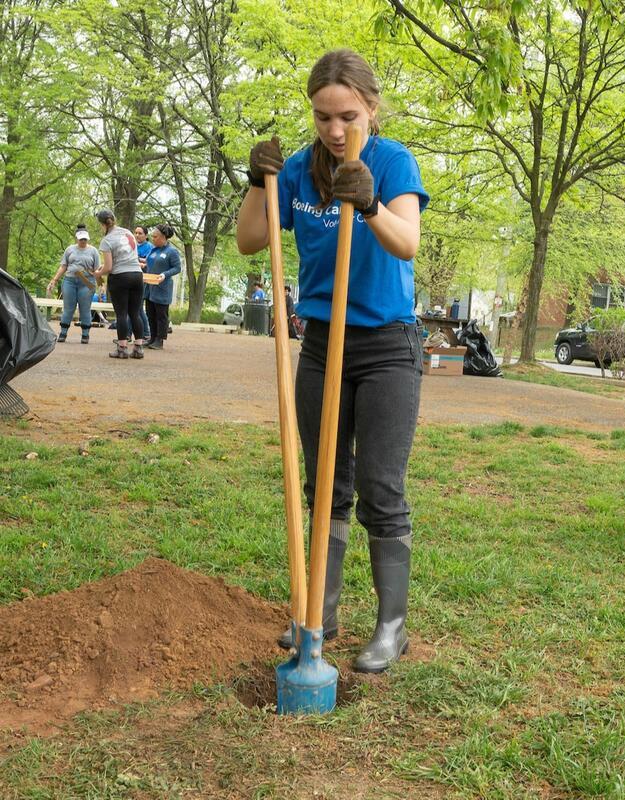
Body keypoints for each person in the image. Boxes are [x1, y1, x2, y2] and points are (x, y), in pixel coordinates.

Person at [236, 49, 429, 673]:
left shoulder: (392, 161)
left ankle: (391, 629)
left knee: (380, 485)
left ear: (371, 107)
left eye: (347, 115)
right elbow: (251, 240)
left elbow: (407, 242)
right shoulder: (297, 169)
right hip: (322, 343)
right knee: (324, 482)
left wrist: (370, 205)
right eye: (323, 117)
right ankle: (322, 612)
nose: (335, 129)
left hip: (386, 347)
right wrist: (254, 184)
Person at [93, 210, 146, 359]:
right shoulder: (128, 233)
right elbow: (125, 257)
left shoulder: (107, 240)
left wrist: (98, 273)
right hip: (137, 275)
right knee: (135, 313)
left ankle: (122, 348)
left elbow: (109, 268)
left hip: (120, 277)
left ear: (103, 224)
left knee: (122, 314)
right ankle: (138, 347)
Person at [46, 227, 101, 344]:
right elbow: (63, 266)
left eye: (85, 239)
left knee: (85, 308)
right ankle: (63, 332)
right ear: (77, 238)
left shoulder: (93, 251)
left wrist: (101, 284)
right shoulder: (69, 249)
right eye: (81, 239)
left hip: (87, 281)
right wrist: (54, 280)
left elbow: (97, 269)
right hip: (70, 280)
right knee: (68, 308)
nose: (83, 241)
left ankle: (85, 334)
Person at [143, 224, 182, 350]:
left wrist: (165, 274)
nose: (153, 239)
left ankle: (160, 340)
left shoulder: (171, 252)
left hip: (162, 287)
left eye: (155, 237)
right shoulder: (153, 250)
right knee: (150, 313)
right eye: (152, 236)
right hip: (150, 286)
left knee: (161, 315)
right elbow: (149, 264)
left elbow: (177, 268)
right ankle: (152, 337)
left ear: (163, 237)